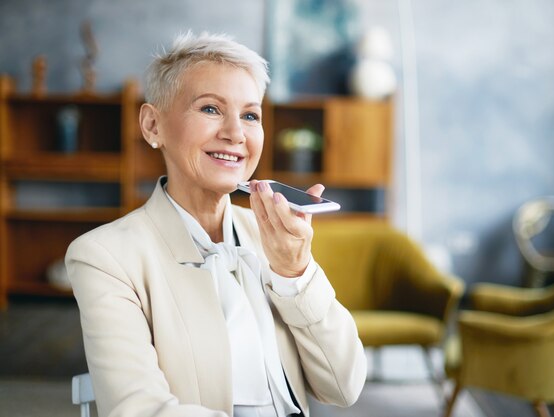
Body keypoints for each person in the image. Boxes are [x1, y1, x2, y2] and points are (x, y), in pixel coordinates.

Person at [65, 31, 367, 417]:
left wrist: (296, 273)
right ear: (152, 125)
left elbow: (344, 387)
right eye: (210, 109)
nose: (235, 133)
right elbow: (139, 409)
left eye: (250, 115)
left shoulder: (275, 235)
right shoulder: (105, 256)